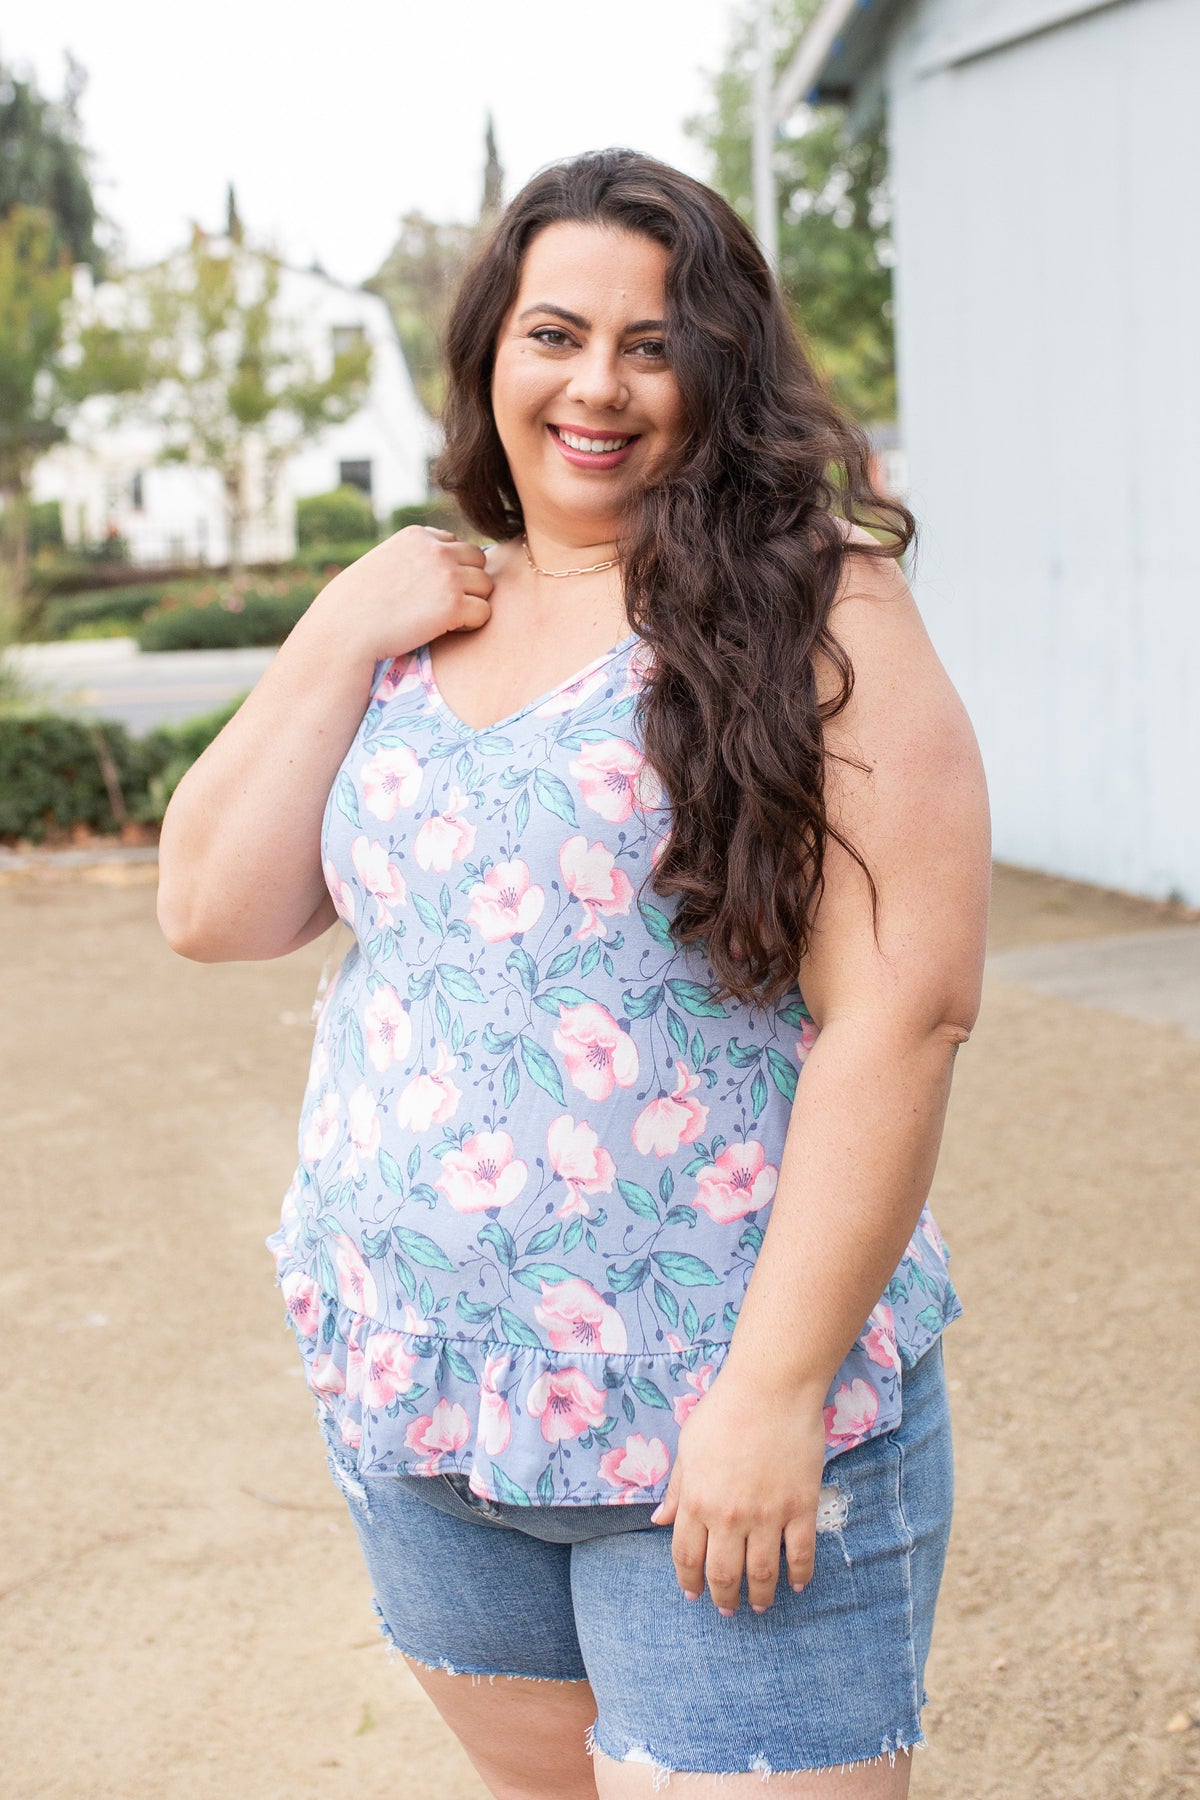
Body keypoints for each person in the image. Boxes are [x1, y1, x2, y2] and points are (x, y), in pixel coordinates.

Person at [157, 148, 990, 1799]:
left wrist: (776, 1393)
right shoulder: (415, 616)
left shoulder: (814, 608)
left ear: (721, 367)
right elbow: (213, 907)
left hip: (713, 1415)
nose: (596, 384)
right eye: (554, 332)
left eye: (653, 342)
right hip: (426, 1396)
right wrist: (338, 625)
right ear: (488, 352)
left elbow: (908, 1010)